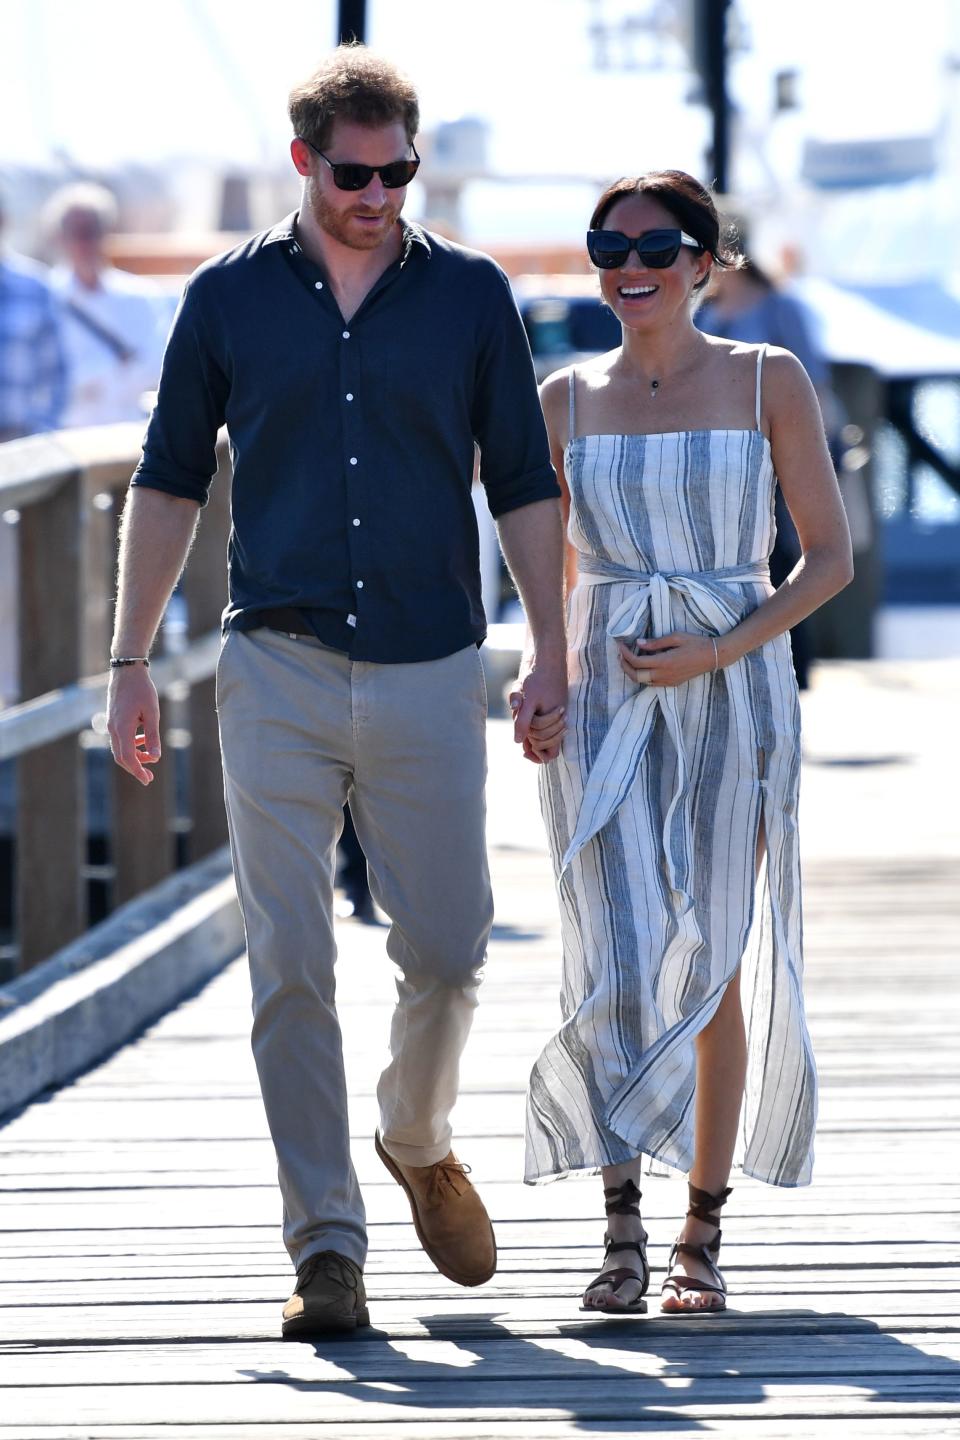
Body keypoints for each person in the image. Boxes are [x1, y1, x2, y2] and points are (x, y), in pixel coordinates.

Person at [106, 45, 566, 1338]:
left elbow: (522, 479)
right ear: (306, 161)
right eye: (356, 174)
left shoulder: (469, 294)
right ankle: (326, 1248)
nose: (380, 194)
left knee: (452, 951)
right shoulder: (227, 298)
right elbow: (166, 480)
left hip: (428, 663)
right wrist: (130, 662)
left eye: (399, 171)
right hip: (279, 666)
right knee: (289, 963)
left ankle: (413, 1138)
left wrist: (553, 647)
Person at [522, 171, 852, 1315]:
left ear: (706, 262)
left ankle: (700, 1233)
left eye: (660, 245)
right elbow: (545, 568)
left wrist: (720, 650)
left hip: (736, 689)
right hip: (605, 693)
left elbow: (827, 559)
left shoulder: (770, 378)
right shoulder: (560, 398)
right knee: (613, 958)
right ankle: (618, 1221)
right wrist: (544, 671)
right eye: (611, 245)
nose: (634, 264)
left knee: (708, 962)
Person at [696, 243, 837, 688]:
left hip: (774, 456)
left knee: (781, 556)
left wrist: (807, 455)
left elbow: (812, 385)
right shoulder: (704, 310)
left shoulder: (781, 307)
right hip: (712, 461)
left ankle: (793, 665)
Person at [0, 196, 68, 706]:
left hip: (17, 448)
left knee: (17, 582)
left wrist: (39, 441)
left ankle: (14, 694)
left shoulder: (32, 286)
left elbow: (57, 376)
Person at [45, 183, 168, 428]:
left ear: (107, 233)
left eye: (91, 231)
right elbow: (47, 378)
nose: (84, 241)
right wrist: (113, 373)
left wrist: (92, 382)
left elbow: (158, 365)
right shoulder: (46, 299)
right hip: (68, 439)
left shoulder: (141, 296)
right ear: (59, 238)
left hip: (127, 438)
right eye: (75, 232)